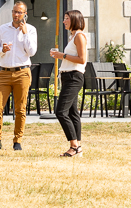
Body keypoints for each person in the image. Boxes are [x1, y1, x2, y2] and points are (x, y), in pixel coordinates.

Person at [0, 1, 37, 151]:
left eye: (19, 12)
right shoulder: (3, 28)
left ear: (25, 14)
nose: (16, 15)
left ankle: (17, 141)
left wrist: (24, 33)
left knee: (20, 109)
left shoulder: (30, 30)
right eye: (14, 11)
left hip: (22, 73)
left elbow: (31, 52)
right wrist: (3, 50)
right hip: (4, 73)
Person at [49, 9, 87, 157]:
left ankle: (74, 146)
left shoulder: (79, 36)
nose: (64, 21)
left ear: (74, 20)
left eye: (66, 19)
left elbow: (82, 59)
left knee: (60, 111)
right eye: (64, 18)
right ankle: (78, 147)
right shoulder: (72, 37)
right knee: (72, 112)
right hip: (67, 77)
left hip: (74, 77)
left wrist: (62, 55)